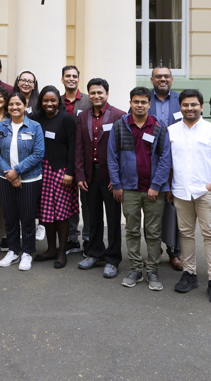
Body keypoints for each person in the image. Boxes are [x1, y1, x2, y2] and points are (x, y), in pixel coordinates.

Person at [168, 89, 211, 304]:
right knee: (186, 234)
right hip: (180, 192)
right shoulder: (171, 131)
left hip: (206, 192)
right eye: (185, 105)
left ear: (201, 107)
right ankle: (190, 274)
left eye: (194, 105)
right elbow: (167, 162)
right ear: (180, 107)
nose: (189, 108)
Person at [106, 87, 172, 291]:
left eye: (144, 102)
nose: (140, 105)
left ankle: (152, 269)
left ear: (149, 104)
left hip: (153, 190)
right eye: (136, 102)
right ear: (131, 103)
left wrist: (156, 186)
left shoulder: (160, 126)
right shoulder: (120, 126)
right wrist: (117, 185)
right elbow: (112, 157)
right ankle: (135, 268)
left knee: (153, 231)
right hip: (129, 189)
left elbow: (165, 159)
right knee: (132, 230)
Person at [75, 78, 126, 278]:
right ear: (89, 94)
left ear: (107, 94)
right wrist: (79, 174)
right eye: (93, 92)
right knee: (92, 216)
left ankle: (113, 259)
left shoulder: (119, 116)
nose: (96, 96)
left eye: (100, 92)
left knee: (113, 219)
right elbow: (79, 147)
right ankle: (95, 253)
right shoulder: (83, 116)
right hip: (89, 174)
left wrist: (118, 178)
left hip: (111, 176)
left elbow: (124, 150)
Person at [0, 93, 45, 271]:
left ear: (24, 105)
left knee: (28, 217)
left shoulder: (35, 127)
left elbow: (38, 154)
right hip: (4, 179)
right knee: (10, 217)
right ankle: (13, 250)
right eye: (11, 104)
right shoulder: (1, 126)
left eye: (18, 104)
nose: (14, 107)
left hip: (29, 180)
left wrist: (17, 172)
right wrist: (10, 174)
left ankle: (28, 252)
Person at [33, 86, 78, 269]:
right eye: (46, 100)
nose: (49, 104)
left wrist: (70, 172)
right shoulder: (36, 118)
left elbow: (73, 146)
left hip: (61, 171)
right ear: (41, 102)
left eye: (53, 100)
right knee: (46, 213)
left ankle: (61, 251)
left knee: (61, 213)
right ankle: (50, 249)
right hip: (41, 171)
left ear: (58, 102)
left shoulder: (66, 119)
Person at [150, 66, 183, 271]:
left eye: (166, 76)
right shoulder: (144, 98)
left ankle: (175, 252)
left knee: (175, 208)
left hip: (178, 161)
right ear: (152, 79)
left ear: (171, 79)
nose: (162, 79)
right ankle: (154, 251)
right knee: (152, 208)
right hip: (150, 161)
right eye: (158, 76)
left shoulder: (181, 100)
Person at [59, 65, 90, 252]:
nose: (71, 78)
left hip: (85, 159)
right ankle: (72, 238)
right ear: (62, 79)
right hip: (63, 160)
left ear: (79, 79)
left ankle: (88, 238)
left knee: (86, 202)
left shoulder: (88, 101)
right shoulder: (56, 101)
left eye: (74, 76)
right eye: (67, 76)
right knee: (68, 201)